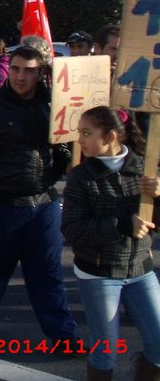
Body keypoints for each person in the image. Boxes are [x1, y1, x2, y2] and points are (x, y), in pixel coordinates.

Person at [0, 45, 77, 345]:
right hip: (1, 202)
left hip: (45, 201)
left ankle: (63, 335)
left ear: (41, 74)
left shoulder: (54, 104)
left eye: (30, 70)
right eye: (16, 69)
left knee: (48, 273)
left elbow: (68, 153)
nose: (21, 76)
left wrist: (67, 150)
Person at [62, 106, 160, 381]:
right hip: (99, 273)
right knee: (105, 350)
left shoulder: (144, 167)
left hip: (140, 269)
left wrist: (159, 196)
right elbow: (72, 229)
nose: (79, 140)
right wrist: (120, 224)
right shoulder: (81, 176)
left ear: (111, 137)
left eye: (86, 133)